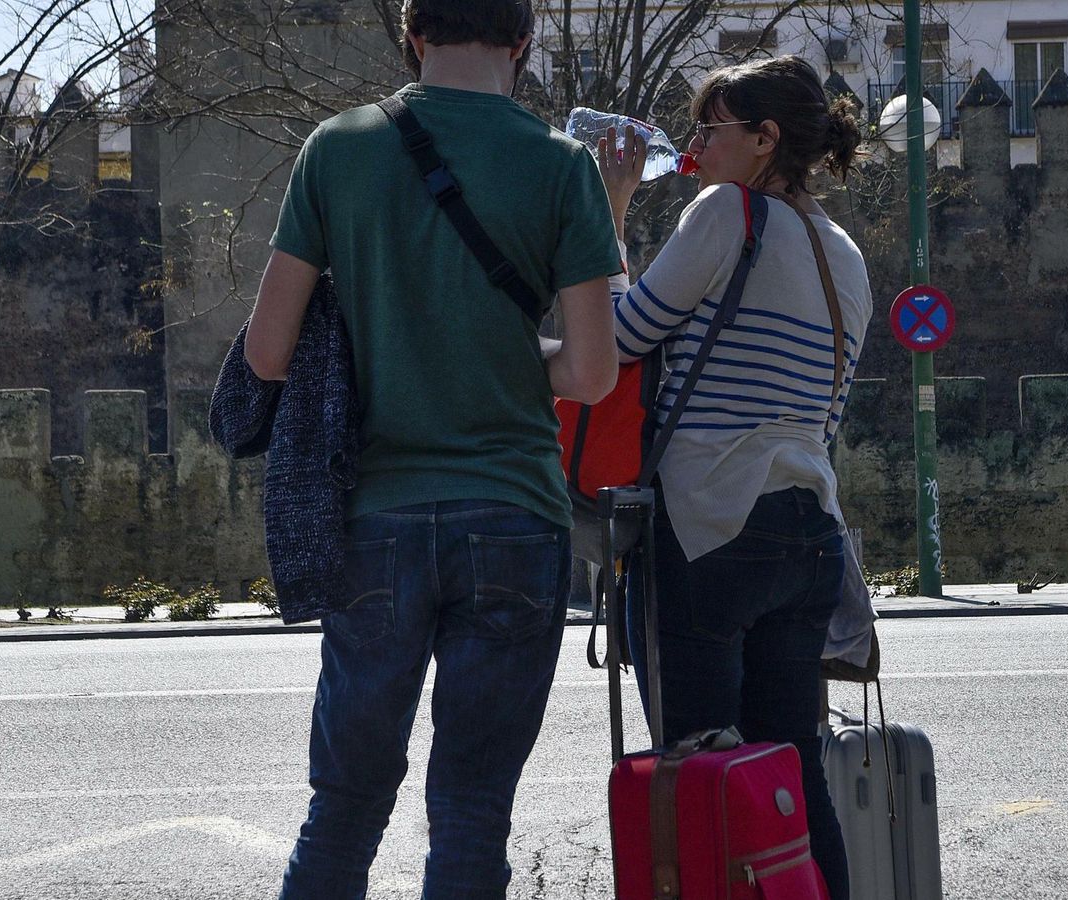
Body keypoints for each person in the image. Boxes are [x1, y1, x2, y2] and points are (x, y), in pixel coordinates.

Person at [242, 0, 622, 896]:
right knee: (473, 810)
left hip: (376, 518)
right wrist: (511, 353)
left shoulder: (338, 147)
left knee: (343, 811)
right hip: (516, 516)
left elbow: (266, 352)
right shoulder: (563, 167)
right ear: (523, 43)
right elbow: (594, 376)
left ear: (413, 34)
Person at [598, 55, 870, 900]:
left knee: (700, 773)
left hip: (714, 522)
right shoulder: (845, 254)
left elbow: (617, 338)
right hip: (807, 531)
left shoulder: (730, 212)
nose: (694, 147)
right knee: (791, 771)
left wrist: (609, 209)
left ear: (764, 139)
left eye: (711, 129)